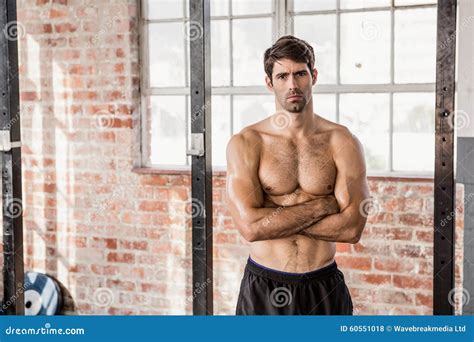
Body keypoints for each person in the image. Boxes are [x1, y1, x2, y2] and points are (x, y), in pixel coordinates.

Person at [225, 35, 370, 315]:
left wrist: (274, 215)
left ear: (313, 76)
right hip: (264, 286)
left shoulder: (342, 141)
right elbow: (250, 228)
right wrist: (324, 205)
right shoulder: (246, 143)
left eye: (300, 73)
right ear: (269, 83)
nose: (292, 84)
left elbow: (352, 229)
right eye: (282, 76)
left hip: (323, 285)